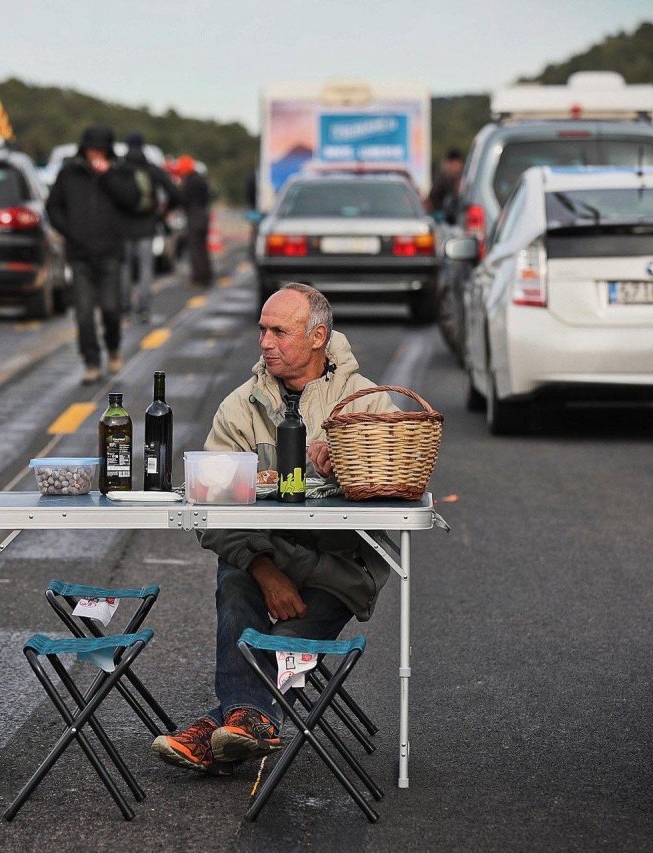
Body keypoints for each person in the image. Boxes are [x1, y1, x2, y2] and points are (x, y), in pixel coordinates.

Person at [151, 283, 398, 774]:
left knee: (263, 647)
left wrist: (346, 466)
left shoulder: (367, 402)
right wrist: (266, 571)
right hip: (267, 563)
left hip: (338, 575)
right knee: (236, 575)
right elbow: (208, 506)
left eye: (279, 331)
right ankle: (245, 725)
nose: (264, 342)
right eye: (262, 329)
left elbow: (396, 490)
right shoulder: (238, 407)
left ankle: (222, 726)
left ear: (317, 337)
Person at [45, 125, 140, 384]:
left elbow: (132, 200)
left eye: (99, 150)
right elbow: (53, 206)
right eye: (90, 150)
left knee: (111, 308)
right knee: (84, 313)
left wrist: (108, 175)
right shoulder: (69, 173)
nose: (94, 155)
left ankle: (113, 347)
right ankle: (91, 361)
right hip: (79, 253)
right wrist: (68, 231)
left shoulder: (121, 171)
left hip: (110, 251)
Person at [120, 132, 182, 323]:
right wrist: (161, 214)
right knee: (146, 268)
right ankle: (143, 309)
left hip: (123, 227)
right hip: (147, 225)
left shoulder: (120, 169)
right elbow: (174, 194)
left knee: (125, 268)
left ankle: (125, 309)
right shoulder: (152, 170)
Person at [177, 155, 213, 287]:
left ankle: (199, 277)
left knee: (195, 249)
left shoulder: (189, 181)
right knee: (202, 248)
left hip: (195, 217)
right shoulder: (200, 179)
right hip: (203, 216)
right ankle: (206, 275)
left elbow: (184, 199)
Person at [427, 148, 464, 219]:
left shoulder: (462, 179)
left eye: (458, 164)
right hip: (441, 216)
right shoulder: (440, 180)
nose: (456, 168)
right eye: (453, 164)